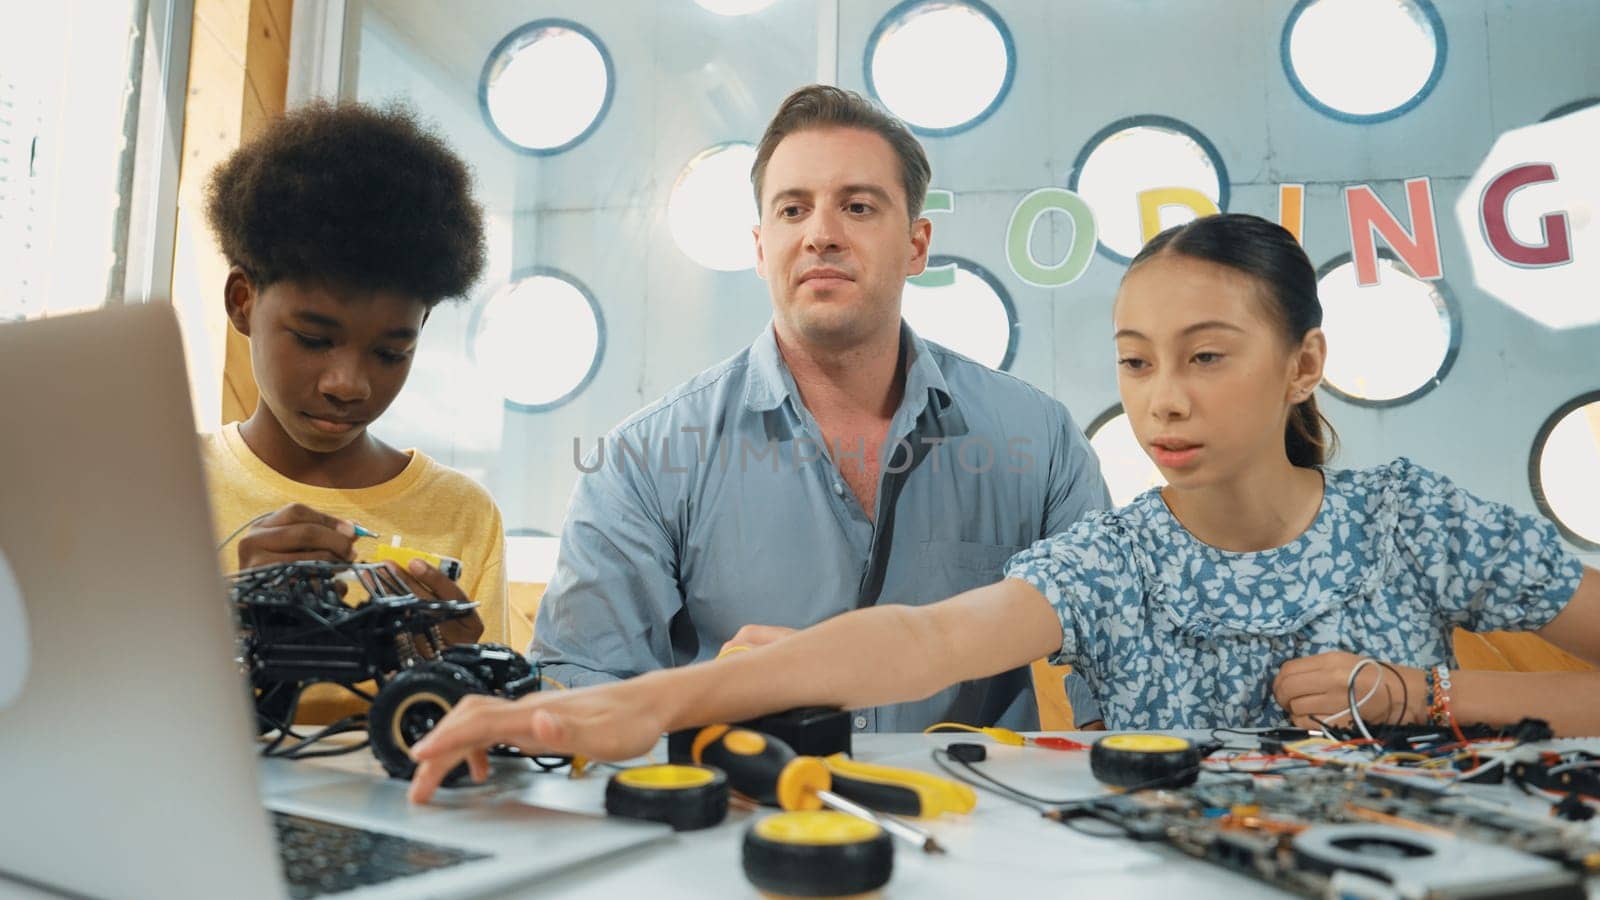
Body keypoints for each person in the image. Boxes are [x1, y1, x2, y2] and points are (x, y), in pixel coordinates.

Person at [407, 213, 1600, 801]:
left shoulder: (1411, 522)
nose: (1162, 402)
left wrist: (1433, 698)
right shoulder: (1113, 558)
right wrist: (632, 708)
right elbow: (925, 638)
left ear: (1302, 365)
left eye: (1205, 355)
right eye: (1134, 363)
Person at [529, 84, 1110, 733]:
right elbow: (570, 686)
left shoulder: (1042, 440)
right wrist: (714, 693)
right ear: (759, 246)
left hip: (973, 821)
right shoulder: (642, 459)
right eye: (792, 210)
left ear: (917, 245)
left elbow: (1117, 679)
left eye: (857, 207)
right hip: (739, 813)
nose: (821, 236)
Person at [200, 101, 508, 723]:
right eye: (313, 340)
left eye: (391, 351)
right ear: (242, 302)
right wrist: (235, 618)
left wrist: (468, 672)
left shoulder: (461, 516)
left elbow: (497, 749)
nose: (349, 384)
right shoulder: (167, 490)